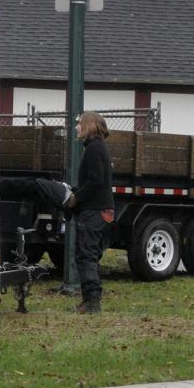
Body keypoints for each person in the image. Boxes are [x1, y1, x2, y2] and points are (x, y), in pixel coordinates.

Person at [65, 111, 114, 313]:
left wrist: (76, 197)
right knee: (89, 255)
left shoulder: (94, 149)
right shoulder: (97, 147)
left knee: (86, 255)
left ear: (90, 126)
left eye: (80, 123)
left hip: (94, 211)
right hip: (99, 210)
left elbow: (95, 181)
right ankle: (91, 300)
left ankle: (92, 302)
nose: (77, 127)